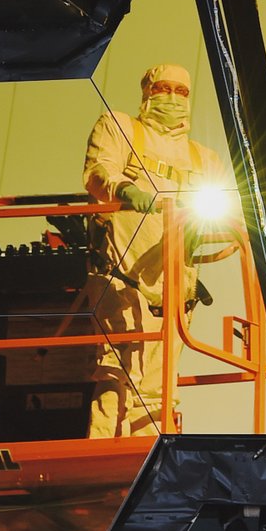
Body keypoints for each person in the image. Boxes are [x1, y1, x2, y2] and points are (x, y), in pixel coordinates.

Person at [82, 63, 235, 437]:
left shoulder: (205, 159)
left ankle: (146, 457)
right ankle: (102, 455)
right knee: (117, 374)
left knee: (158, 388)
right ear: (149, 92)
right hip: (120, 277)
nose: (173, 98)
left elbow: (230, 216)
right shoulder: (120, 127)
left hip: (173, 289)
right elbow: (99, 170)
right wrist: (126, 191)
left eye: (181, 92)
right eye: (165, 89)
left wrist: (208, 229)